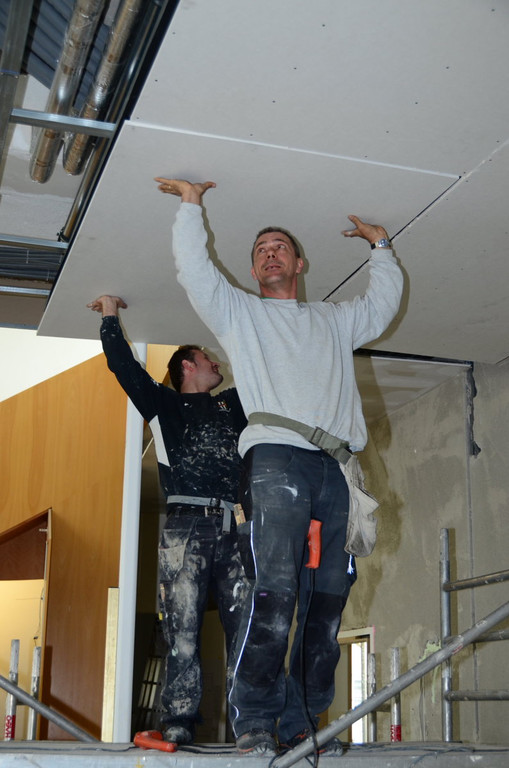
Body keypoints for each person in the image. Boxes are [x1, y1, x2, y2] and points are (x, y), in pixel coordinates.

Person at [153, 177, 404, 755]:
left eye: (280, 247)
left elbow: (381, 306)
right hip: (275, 460)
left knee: (327, 600)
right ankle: (256, 719)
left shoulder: (334, 320)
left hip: (336, 467)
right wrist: (190, 207)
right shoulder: (241, 314)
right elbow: (196, 273)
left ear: (298, 263)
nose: (271, 254)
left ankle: (303, 721)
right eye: (261, 250)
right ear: (254, 269)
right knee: (274, 591)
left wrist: (381, 247)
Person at [87, 294, 249, 746]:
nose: (217, 363)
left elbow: (265, 372)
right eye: (208, 358)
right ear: (187, 367)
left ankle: (251, 723)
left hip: (236, 526)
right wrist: (109, 315)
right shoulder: (162, 405)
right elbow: (123, 366)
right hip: (185, 528)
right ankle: (178, 721)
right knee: (182, 630)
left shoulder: (232, 405)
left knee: (248, 629)